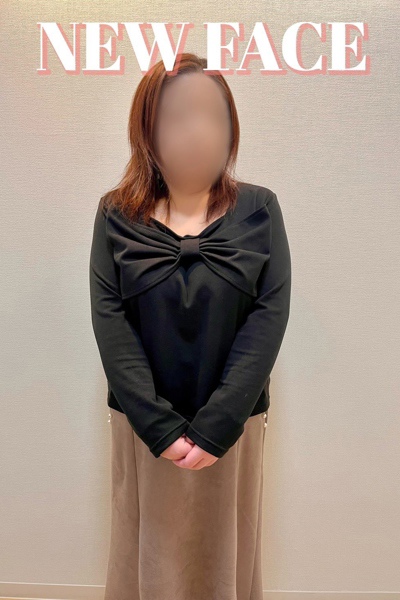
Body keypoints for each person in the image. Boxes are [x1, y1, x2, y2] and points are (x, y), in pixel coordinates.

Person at [89, 52, 291, 600]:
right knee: (145, 557)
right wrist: (159, 428)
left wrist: (217, 426)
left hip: (234, 423)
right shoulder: (114, 214)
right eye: (177, 116)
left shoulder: (260, 209)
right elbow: (110, 321)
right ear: (147, 128)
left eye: (211, 114)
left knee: (225, 557)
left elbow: (269, 316)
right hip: (142, 425)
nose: (197, 130)